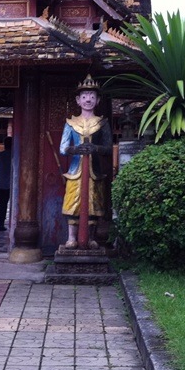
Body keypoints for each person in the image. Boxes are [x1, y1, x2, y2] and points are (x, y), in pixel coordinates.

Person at [60, 74, 112, 249]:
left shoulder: (102, 123)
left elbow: (108, 148)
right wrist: (75, 149)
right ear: (78, 100)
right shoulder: (70, 123)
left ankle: (90, 238)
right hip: (76, 170)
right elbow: (63, 148)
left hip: (94, 171)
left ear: (97, 100)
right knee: (72, 203)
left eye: (92, 96)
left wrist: (95, 148)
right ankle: (71, 238)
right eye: (84, 96)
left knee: (93, 204)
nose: (88, 99)